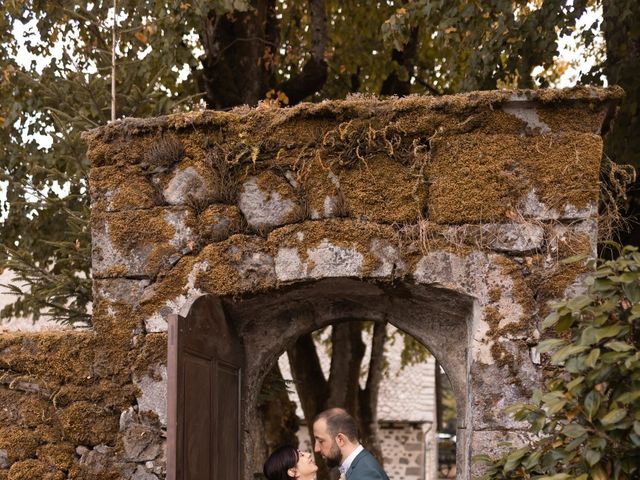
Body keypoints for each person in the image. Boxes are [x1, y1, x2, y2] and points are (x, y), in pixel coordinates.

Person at [312, 408, 389, 480]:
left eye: (321, 441)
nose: (316, 449)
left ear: (340, 440)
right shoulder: (359, 466)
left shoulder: (365, 474)